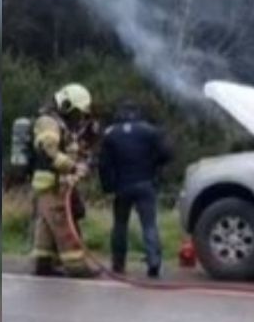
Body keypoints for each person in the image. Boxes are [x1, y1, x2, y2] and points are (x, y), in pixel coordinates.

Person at [98, 101, 172, 278]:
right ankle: (154, 262)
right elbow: (167, 154)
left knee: (120, 225)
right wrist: (154, 168)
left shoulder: (110, 134)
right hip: (145, 184)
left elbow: (104, 164)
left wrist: (108, 186)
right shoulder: (150, 131)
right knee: (149, 225)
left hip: (122, 186)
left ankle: (118, 264)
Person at [30, 83, 95, 278]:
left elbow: (67, 148)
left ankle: (43, 264)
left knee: (47, 226)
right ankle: (77, 267)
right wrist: (73, 167)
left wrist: (81, 159)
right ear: (67, 105)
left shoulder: (59, 123)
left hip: (52, 185)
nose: (79, 118)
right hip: (53, 184)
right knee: (65, 226)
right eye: (77, 112)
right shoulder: (49, 122)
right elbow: (49, 151)